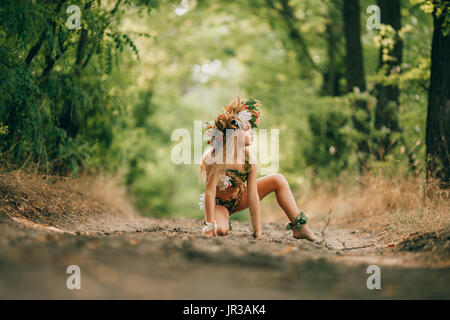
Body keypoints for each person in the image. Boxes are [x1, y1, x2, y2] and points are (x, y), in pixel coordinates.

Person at [198, 93, 318, 242]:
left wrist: (258, 232)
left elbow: (253, 196)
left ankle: (300, 227)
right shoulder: (215, 158)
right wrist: (209, 226)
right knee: (221, 230)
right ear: (234, 133)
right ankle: (216, 221)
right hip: (219, 204)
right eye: (247, 129)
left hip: (240, 199)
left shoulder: (249, 160)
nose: (252, 133)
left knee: (278, 179)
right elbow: (209, 193)